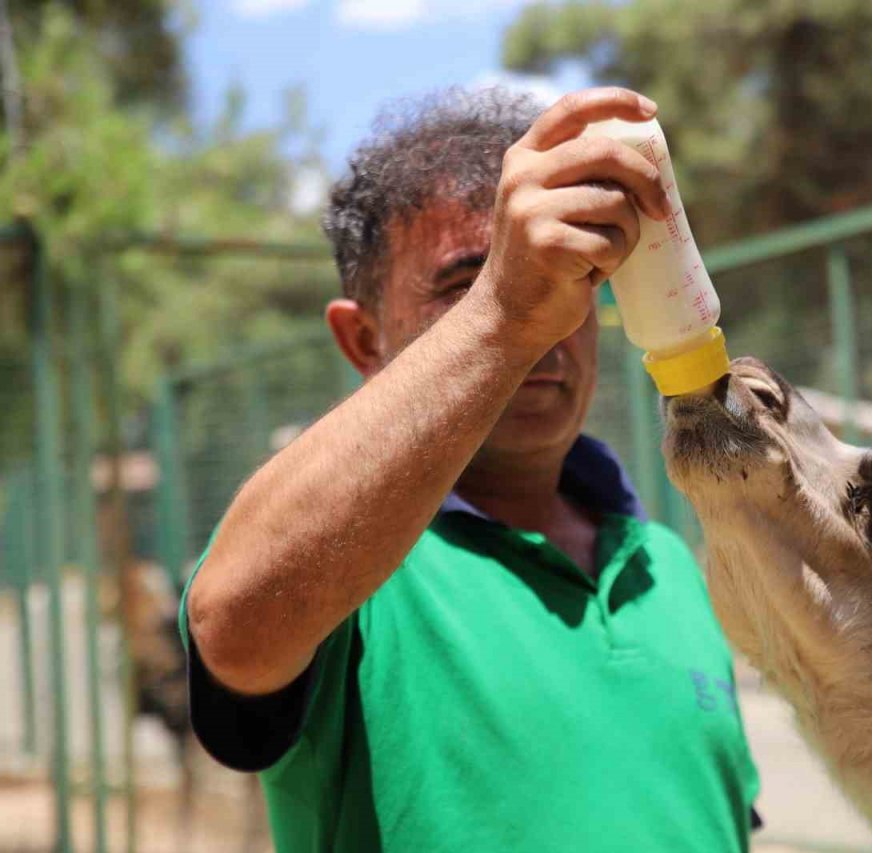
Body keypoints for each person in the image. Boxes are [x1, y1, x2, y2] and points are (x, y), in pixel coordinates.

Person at [179, 86, 761, 852]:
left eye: (570, 276)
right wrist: (502, 313)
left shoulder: (667, 567)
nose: (549, 318)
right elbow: (234, 628)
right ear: (363, 342)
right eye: (465, 284)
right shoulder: (345, 563)